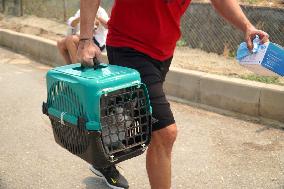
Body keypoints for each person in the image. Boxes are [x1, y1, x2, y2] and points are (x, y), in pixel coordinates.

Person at [77, 0, 269, 189]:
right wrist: (85, 40)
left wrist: (247, 26)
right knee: (164, 132)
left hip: (163, 53)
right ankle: (103, 156)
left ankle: (102, 158)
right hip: (129, 46)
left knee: (134, 115)